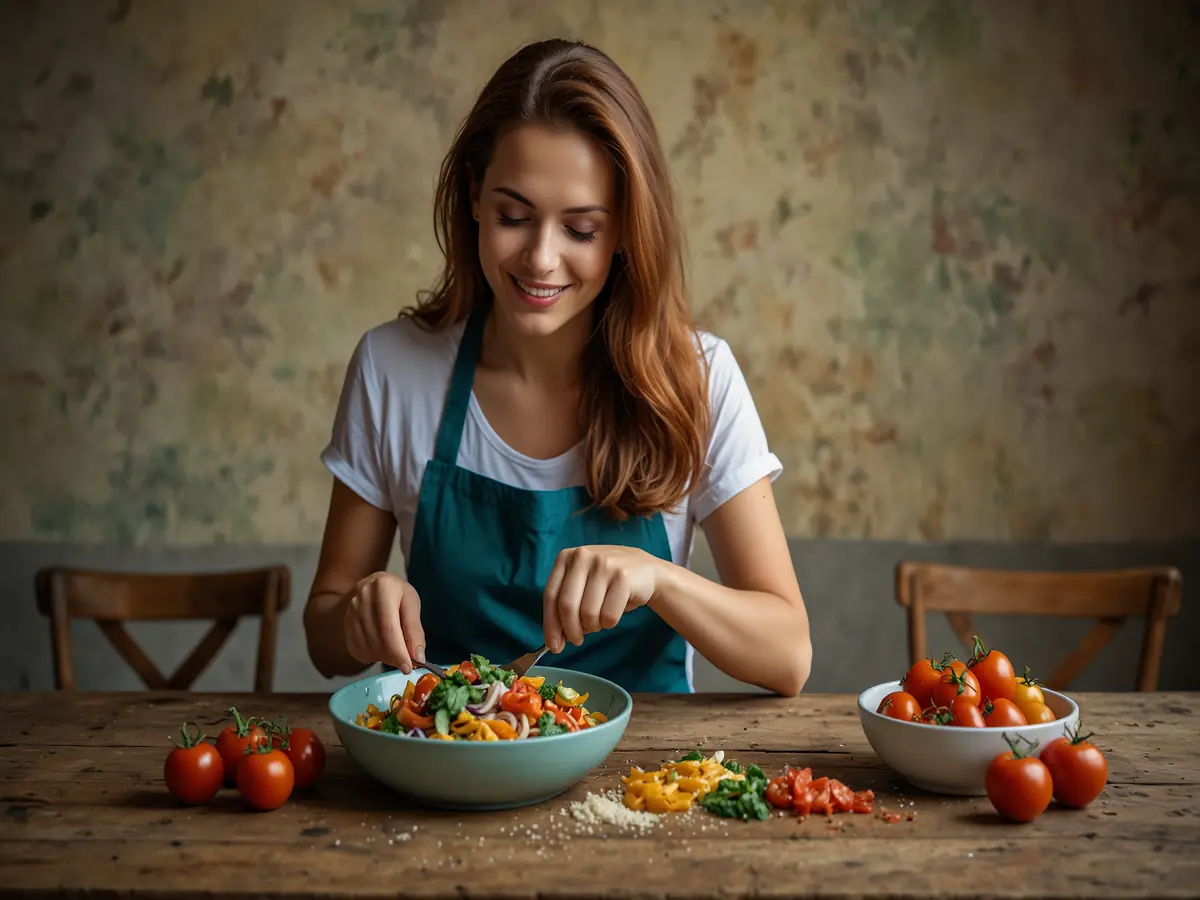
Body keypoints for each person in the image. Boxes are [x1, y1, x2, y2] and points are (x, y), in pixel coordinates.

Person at [303, 38, 811, 695]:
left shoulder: (700, 376)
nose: (541, 258)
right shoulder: (392, 369)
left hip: (650, 761)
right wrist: (359, 614)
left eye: (581, 229)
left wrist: (661, 580)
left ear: (624, 230)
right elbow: (324, 640)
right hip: (451, 751)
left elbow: (787, 656)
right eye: (514, 216)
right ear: (474, 196)